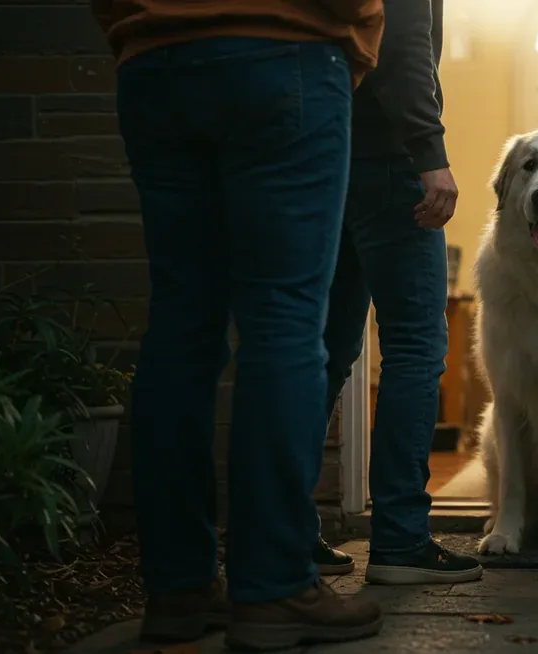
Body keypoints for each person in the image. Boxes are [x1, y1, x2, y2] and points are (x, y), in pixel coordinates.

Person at [93, 0, 387, 649]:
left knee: (179, 326)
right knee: (283, 317)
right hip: (285, 42)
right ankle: (275, 586)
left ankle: (178, 587)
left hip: (154, 58)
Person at [312, 0, 484, 585]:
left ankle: (285, 533)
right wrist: (429, 155)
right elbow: (404, 51)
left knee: (325, 350)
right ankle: (400, 541)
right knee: (415, 347)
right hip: (390, 160)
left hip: (325, 155)